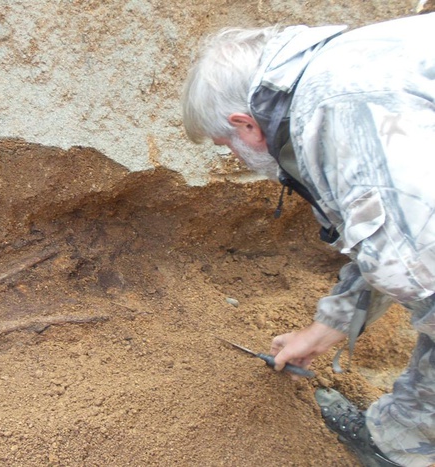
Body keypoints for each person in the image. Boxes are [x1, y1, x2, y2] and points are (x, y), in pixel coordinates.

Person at [181, 13, 435, 467]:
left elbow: (412, 266)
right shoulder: (346, 63)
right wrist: (326, 329)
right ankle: (404, 438)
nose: (235, 157)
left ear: (245, 125)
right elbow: (396, 230)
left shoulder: (340, 112)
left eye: (226, 145)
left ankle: (403, 446)